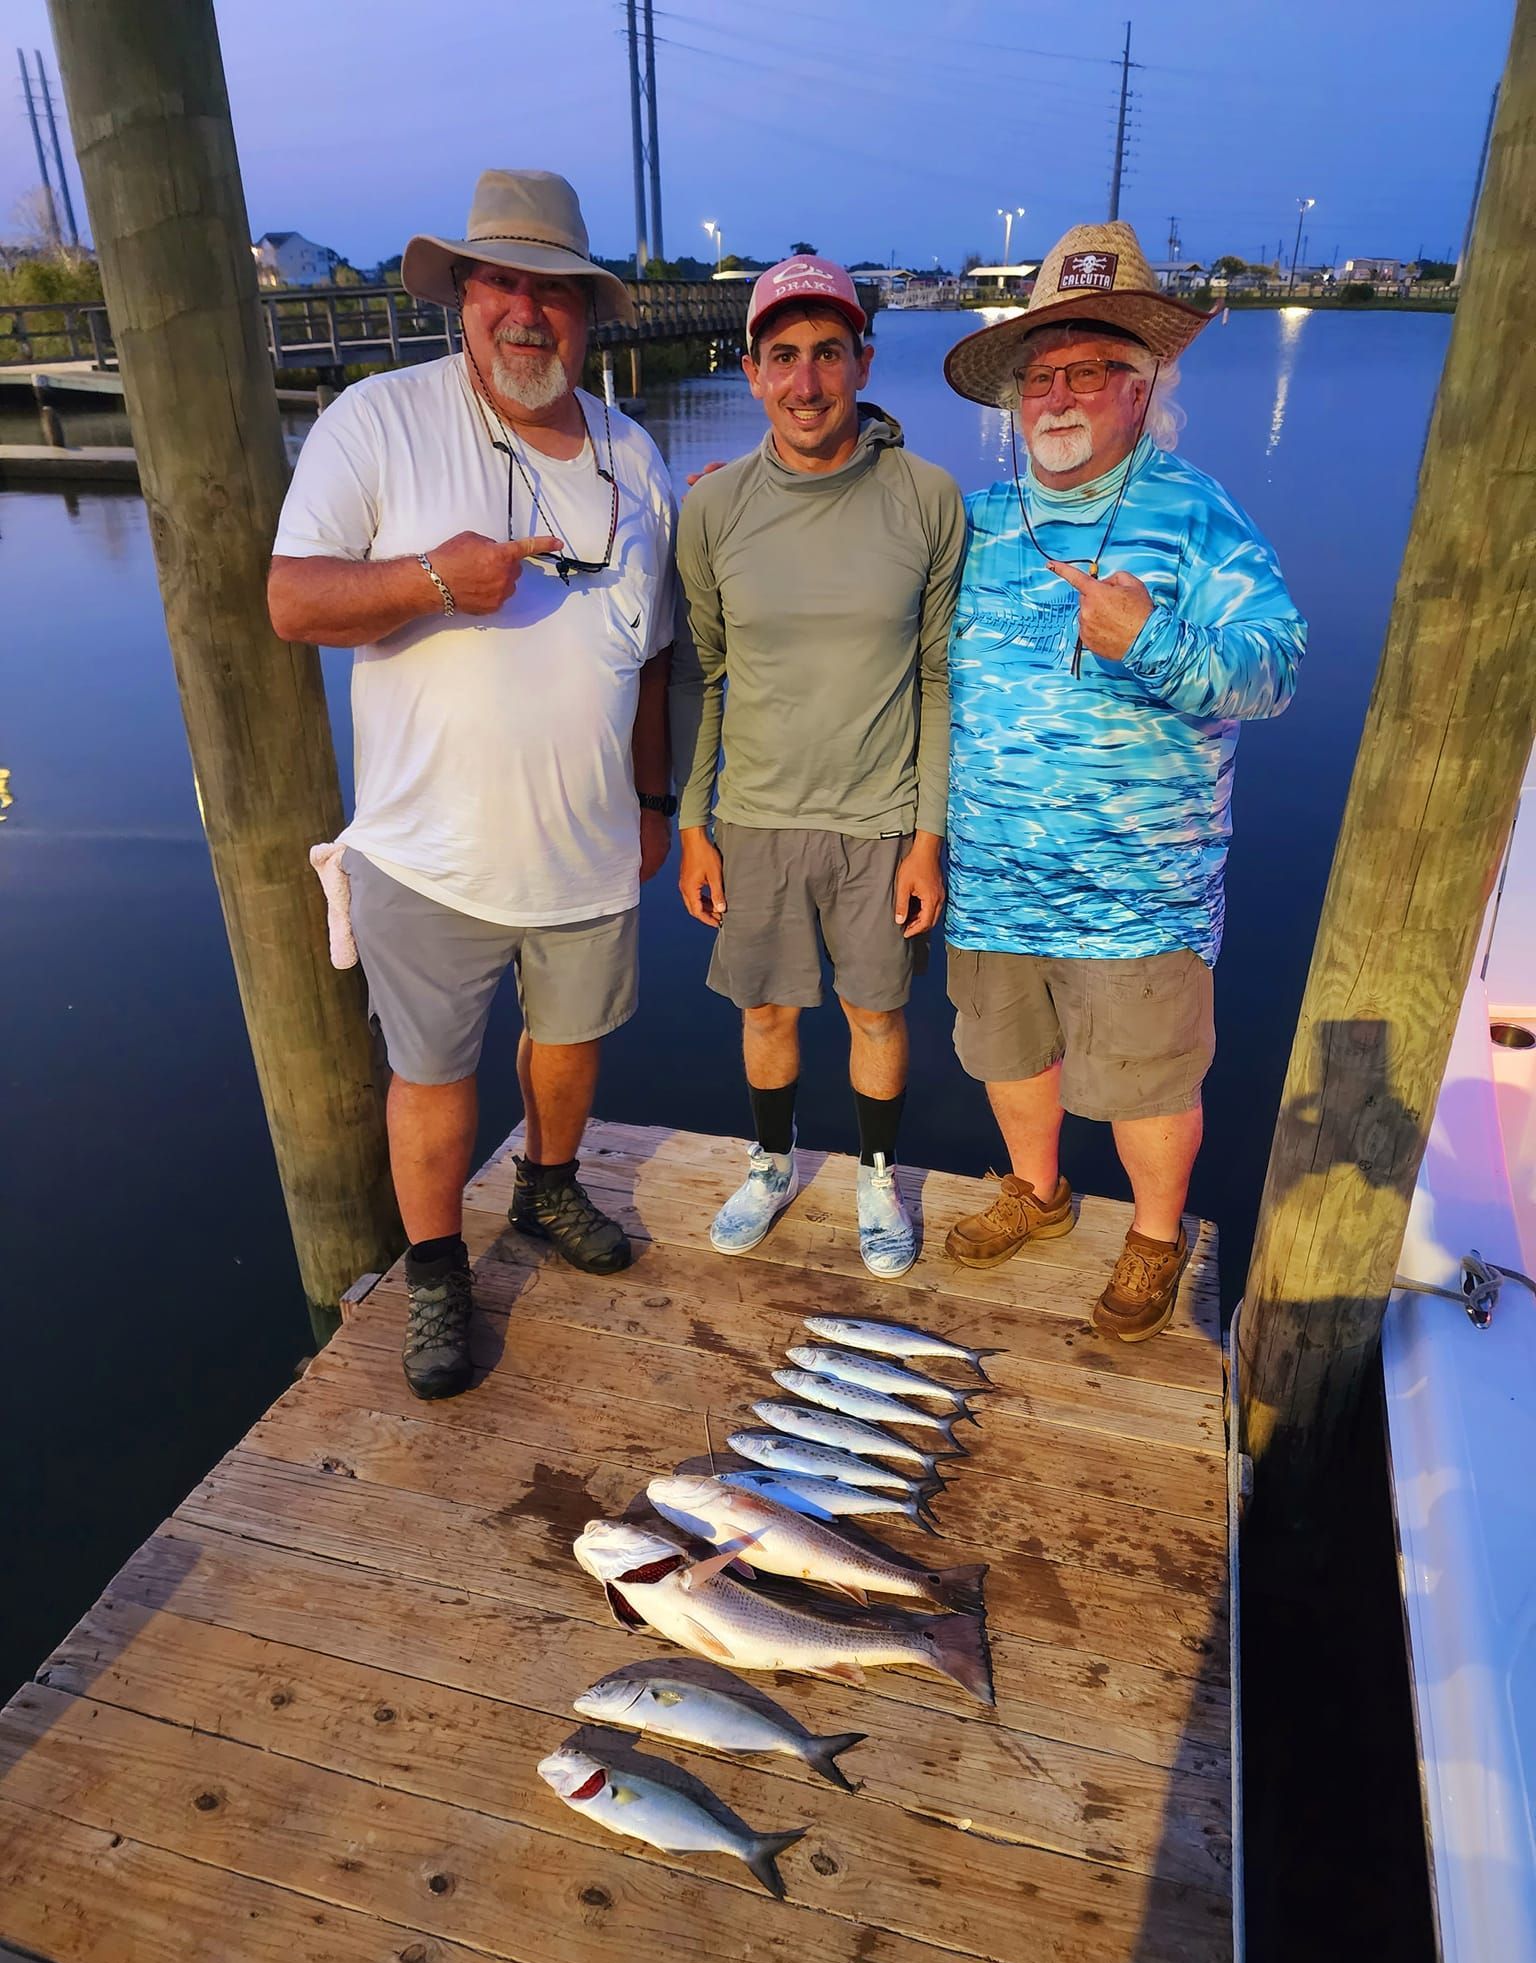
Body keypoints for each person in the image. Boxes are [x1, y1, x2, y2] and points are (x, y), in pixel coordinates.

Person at [268, 170, 677, 1397]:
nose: (528, 312)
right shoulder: (376, 419)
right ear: (461, 292)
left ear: (588, 315)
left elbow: (654, 661)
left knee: (569, 1046)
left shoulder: (634, 451)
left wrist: (653, 806)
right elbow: (293, 600)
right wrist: (434, 580)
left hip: (592, 847)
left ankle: (549, 1186)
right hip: (428, 853)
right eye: (503, 282)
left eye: (555, 292)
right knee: (431, 1076)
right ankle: (438, 1267)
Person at [941, 221, 1306, 1341]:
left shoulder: (1198, 514)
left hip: (1140, 889)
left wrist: (1154, 638)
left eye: (1089, 371)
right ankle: (1037, 1193)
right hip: (993, 876)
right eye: (1041, 374)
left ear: (1142, 386)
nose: (1058, 394)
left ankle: (1156, 1233)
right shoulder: (980, 521)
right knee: (1008, 1053)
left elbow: (1277, 666)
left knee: (1151, 1083)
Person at [673, 256, 965, 1277]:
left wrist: (929, 839)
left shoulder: (928, 498)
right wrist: (690, 822)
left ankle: (878, 1172)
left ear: (863, 361)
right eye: (783, 357)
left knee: (877, 1010)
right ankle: (769, 1160)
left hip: (881, 818)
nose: (807, 383)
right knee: (765, 1008)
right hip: (752, 813)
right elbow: (708, 674)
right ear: (751, 372)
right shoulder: (709, 512)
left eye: (828, 355)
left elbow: (937, 678)